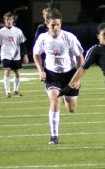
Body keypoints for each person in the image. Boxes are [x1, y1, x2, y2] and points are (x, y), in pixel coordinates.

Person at [32, 8, 85, 143]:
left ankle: (65, 97)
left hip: (70, 75)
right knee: (54, 101)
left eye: (58, 24)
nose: (55, 27)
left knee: (71, 108)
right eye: (52, 25)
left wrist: (78, 78)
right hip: (52, 75)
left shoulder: (69, 37)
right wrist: (41, 71)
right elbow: (36, 54)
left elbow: (80, 58)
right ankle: (54, 136)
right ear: (47, 24)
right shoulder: (43, 38)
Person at [0, 11, 29, 97]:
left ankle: (16, 90)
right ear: (4, 21)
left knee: (17, 72)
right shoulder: (0, 32)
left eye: (10, 19)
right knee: (7, 70)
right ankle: (7, 91)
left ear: (13, 20)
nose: (8, 21)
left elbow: (22, 44)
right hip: (5, 54)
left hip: (16, 54)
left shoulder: (18, 31)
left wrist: (25, 55)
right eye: (7, 19)